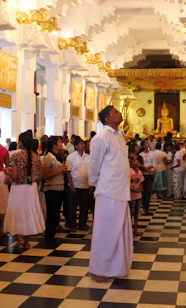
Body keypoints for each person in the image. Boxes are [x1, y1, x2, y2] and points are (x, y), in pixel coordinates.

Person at [88, 106, 133, 283]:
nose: (120, 113)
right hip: (108, 191)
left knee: (119, 230)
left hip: (121, 189)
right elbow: (93, 166)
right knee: (105, 231)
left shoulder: (119, 136)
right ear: (107, 119)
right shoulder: (101, 137)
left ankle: (116, 267)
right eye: (115, 112)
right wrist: (95, 185)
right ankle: (98, 269)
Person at [4, 132, 45, 248]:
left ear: (21, 142)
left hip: (19, 188)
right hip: (32, 187)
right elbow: (40, 174)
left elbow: (15, 175)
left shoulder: (16, 156)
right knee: (29, 212)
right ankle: (27, 241)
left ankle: (20, 238)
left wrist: (7, 172)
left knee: (18, 212)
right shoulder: (35, 157)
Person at [42, 136, 66, 239]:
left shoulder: (57, 156)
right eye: (59, 142)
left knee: (56, 211)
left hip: (59, 186)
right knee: (51, 211)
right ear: (54, 145)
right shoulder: (48, 157)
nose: (61, 144)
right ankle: (49, 234)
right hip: (52, 188)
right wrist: (59, 171)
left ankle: (53, 231)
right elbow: (45, 175)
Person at [66, 136, 90, 232]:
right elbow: (68, 172)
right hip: (74, 185)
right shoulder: (71, 157)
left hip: (85, 185)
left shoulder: (88, 157)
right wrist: (71, 185)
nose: (83, 145)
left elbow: (90, 171)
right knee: (73, 207)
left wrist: (90, 185)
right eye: (80, 144)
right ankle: (72, 225)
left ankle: (82, 224)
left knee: (84, 207)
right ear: (76, 146)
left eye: (83, 144)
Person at [140, 138, 156, 214]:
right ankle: (144, 208)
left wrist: (152, 169)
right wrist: (146, 169)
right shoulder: (141, 155)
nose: (148, 143)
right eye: (146, 143)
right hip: (144, 174)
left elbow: (154, 163)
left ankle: (147, 208)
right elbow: (141, 165)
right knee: (144, 192)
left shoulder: (152, 153)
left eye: (148, 142)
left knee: (149, 192)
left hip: (150, 174)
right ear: (143, 146)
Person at [129, 156, 144, 236]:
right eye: (135, 161)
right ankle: (129, 230)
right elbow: (127, 183)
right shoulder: (129, 172)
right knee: (131, 213)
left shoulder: (139, 172)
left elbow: (141, 182)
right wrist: (134, 190)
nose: (137, 162)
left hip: (138, 195)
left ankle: (135, 229)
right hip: (132, 195)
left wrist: (140, 188)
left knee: (136, 212)